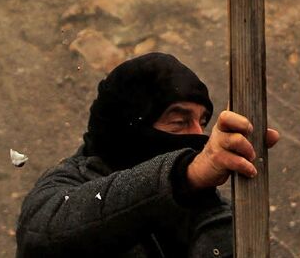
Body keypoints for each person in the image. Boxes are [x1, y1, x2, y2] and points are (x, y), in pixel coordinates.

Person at [16, 52, 279, 258]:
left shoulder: (210, 212)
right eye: (179, 121)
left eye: (203, 122)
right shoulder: (66, 186)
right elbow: (44, 236)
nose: (198, 136)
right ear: (129, 125)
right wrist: (185, 174)